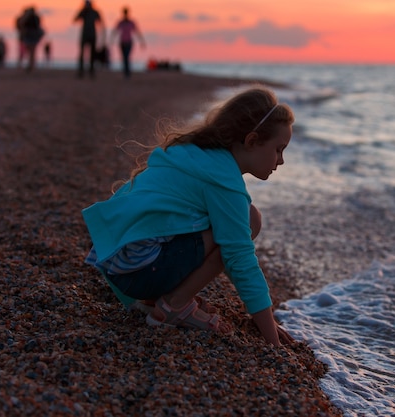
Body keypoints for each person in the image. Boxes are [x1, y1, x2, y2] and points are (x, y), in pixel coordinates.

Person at [82, 87, 296, 346]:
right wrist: (270, 333)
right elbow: (239, 257)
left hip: (117, 263)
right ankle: (174, 305)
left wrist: (132, 298)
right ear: (251, 140)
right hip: (140, 271)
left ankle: (153, 300)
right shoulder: (223, 180)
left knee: (231, 221)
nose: (281, 160)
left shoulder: (191, 153)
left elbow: (128, 210)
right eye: (278, 149)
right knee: (248, 221)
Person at [110, 6, 146, 78]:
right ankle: (126, 72)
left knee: (127, 57)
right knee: (124, 57)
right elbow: (115, 31)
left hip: (129, 42)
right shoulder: (120, 22)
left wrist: (142, 41)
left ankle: (127, 72)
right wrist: (111, 40)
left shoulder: (131, 22)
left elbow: (137, 32)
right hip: (122, 42)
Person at [74, 0, 104, 78]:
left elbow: (100, 22)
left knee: (92, 55)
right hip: (85, 35)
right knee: (82, 54)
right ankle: (82, 71)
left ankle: (91, 71)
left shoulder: (94, 12)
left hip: (91, 35)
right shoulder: (83, 12)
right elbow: (75, 19)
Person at [17, 6, 45, 72]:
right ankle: (31, 65)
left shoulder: (27, 18)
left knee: (30, 51)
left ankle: (30, 65)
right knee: (32, 51)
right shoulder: (35, 18)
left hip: (29, 36)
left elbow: (20, 25)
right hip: (32, 36)